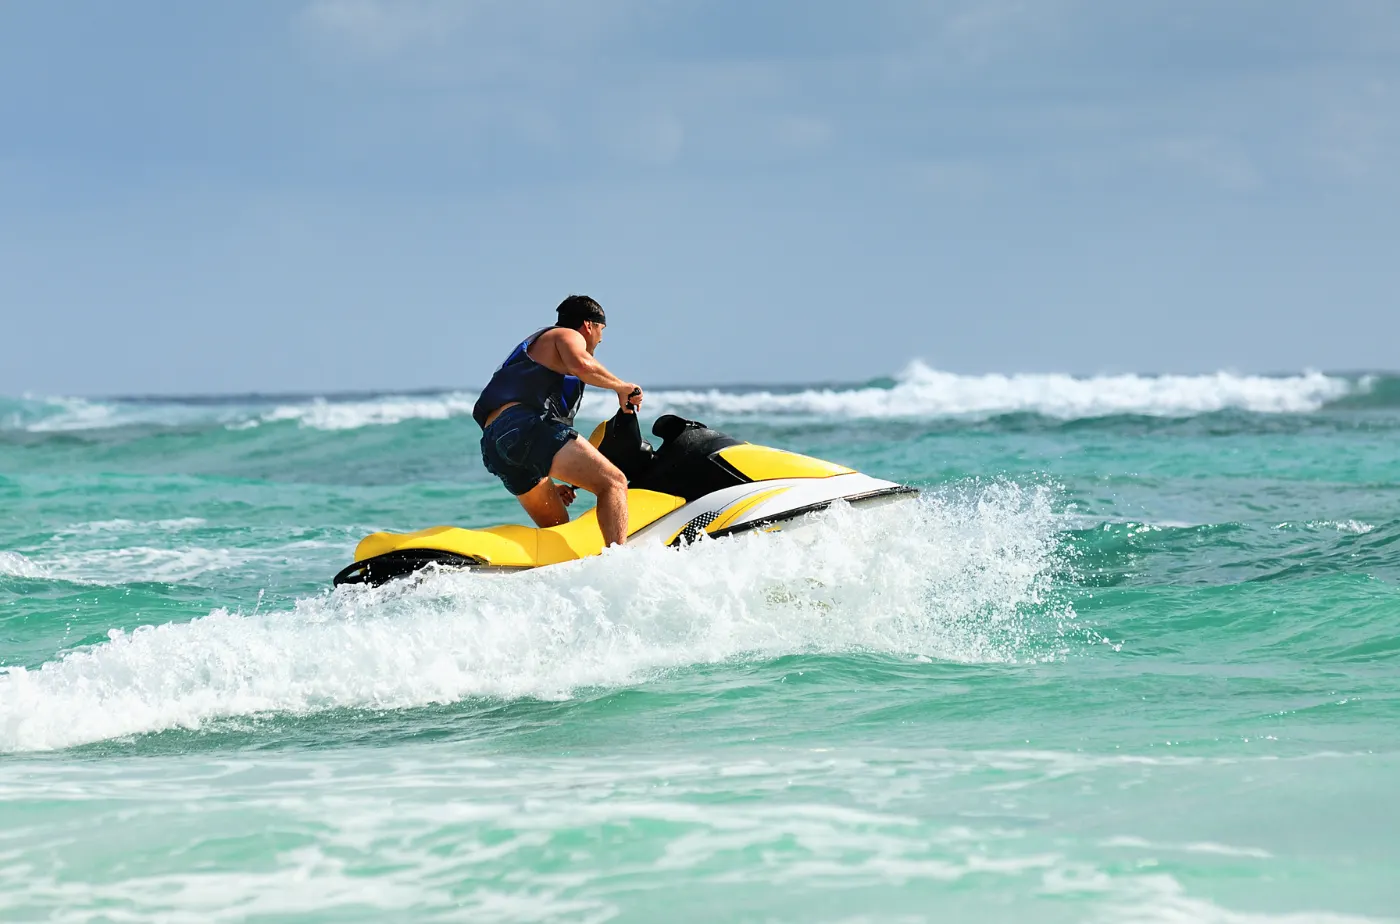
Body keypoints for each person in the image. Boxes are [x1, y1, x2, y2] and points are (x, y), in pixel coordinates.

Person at [472, 295, 643, 547]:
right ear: (589, 325)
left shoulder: (537, 348)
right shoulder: (566, 335)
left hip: (497, 445)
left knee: (557, 529)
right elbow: (582, 365)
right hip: (523, 427)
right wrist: (622, 387)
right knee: (614, 483)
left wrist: (547, 470)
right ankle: (619, 563)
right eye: (601, 330)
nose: (601, 338)